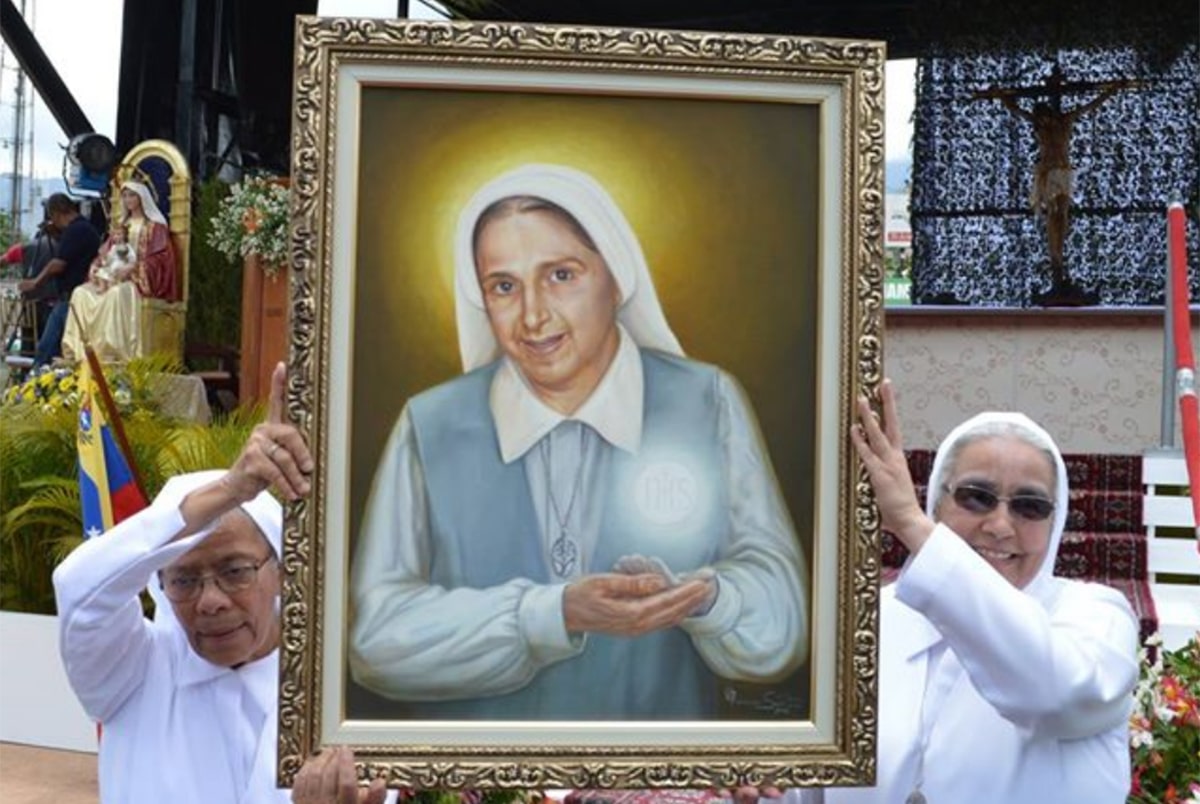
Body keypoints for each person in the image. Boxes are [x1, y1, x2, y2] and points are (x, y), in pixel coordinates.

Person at [349, 163, 808, 719]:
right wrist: (554, 614)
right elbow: (375, 640)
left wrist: (705, 597)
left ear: (616, 277)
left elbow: (782, 622)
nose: (533, 315)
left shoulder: (705, 402)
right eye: (503, 287)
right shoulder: (432, 424)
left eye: (561, 275)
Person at [785, 380, 1138, 803]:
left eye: (1029, 506)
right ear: (937, 501)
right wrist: (766, 786)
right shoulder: (867, 621)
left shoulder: (1095, 616)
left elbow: (1055, 696)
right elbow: (811, 791)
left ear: (1054, 522)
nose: (1000, 526)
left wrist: (913, 527)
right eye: (976, 497)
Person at [54, 364, 319, 803]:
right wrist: (233, 489)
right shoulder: (131, 672)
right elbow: (79, 587)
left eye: (235, 571)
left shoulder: (326, 694)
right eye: (184, 579)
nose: (210, 601)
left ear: (282, 571)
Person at [980, 68, 1130, 289]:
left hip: (1061, 171)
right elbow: (1016, 110)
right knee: (1053, 213)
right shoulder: (1040, 125)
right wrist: (1000, 96)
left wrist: (1111, 91)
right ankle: (1055, 258)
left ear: (1049, 114)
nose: (1044, 122)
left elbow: (1091, 106)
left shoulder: (1065, 121)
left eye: (1045, 118)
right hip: (1048, 172)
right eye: (1041, 120)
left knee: (1062, 213)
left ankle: (1058, 255)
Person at [61, 179, 181, 363]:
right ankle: (79, 351)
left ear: (142, 196)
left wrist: (134, 268)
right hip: (112, 275)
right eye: (124, 196)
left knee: (116, 294)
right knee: (80, 293)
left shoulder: (155, 227)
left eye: (132, 195)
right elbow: (106, 252)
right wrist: (96, 265)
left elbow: (162, 260)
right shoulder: (120, 227)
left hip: (135, 282)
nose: (128, 199)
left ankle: (111, 352)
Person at [18, 193, 100, 367]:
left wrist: (35, 282)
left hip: (71, 296)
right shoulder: (84, 229)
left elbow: (59, 263)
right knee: (56, 347)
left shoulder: (76, 230)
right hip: (74, 296)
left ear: (56, 214)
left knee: (47, 348)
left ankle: (37, 382)